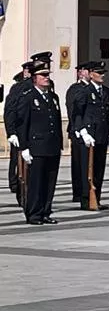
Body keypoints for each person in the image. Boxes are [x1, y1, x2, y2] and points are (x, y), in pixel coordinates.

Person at [13, 63, 62, 225]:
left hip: (52, 146)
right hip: (36, 146)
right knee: (36, 183)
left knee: (49, 182)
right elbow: (22, 123)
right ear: (35, 79)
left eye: (48, 75)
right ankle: (34, 213)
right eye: (43, 76)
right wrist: (24, 147)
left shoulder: (53, 97)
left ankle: (45, 211)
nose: (47, 78)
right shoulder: (28, 97)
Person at [72, 61, 109, 210]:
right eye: (98, 73)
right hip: (89, 135)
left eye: (103, 73)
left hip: (101, 134)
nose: (102, 75)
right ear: (90, 75)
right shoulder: (83, 91)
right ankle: (86, 199)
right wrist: (82, 131)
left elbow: (107, 114)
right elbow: (77, 113)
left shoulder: (106, 91)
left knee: (99, 168)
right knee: (87, 169)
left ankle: (97, 198)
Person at [5, 59, 34, 205]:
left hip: (35, 135)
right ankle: (16, 185)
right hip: (20, 131)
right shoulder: (18, 88)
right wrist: (11, 132)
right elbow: (10, 111)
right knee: (16, 161)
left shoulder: (46, 86)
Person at [66, 61, 92, 204]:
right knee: (79, 163)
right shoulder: (75, 88)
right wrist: (77, 128)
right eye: (87, 70)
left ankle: (87, 191)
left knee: (89, 164)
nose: (89, 73)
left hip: (91, 132)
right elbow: (72, 109)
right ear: (80, 72)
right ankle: (79, 192)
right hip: (78, 131)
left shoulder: (94, 89)